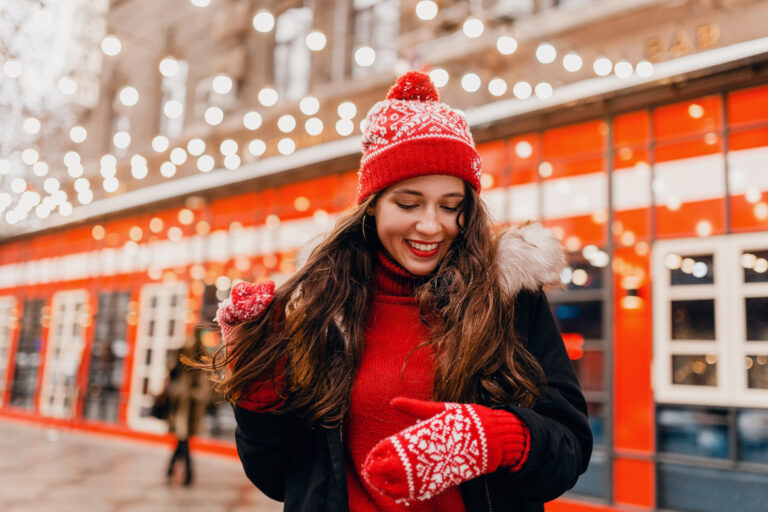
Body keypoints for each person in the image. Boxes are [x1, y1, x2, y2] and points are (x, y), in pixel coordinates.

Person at [207, 71, 592, 511]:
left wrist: (492, 437)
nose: (431, 226)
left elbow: (570, 449)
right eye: (408, 204)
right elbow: (279, 476)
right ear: (372, 207)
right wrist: (258, 386)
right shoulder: (320, 304)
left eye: (452, 206)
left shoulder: (507, 299)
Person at [166, 330, 211, 486]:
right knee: (182, 437)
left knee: (182, 437)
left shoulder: (190, 361)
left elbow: (172, 371)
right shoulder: (194, 358)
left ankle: (177, 470)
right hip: (185, 403)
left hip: (185, 404)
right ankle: (181, 472)